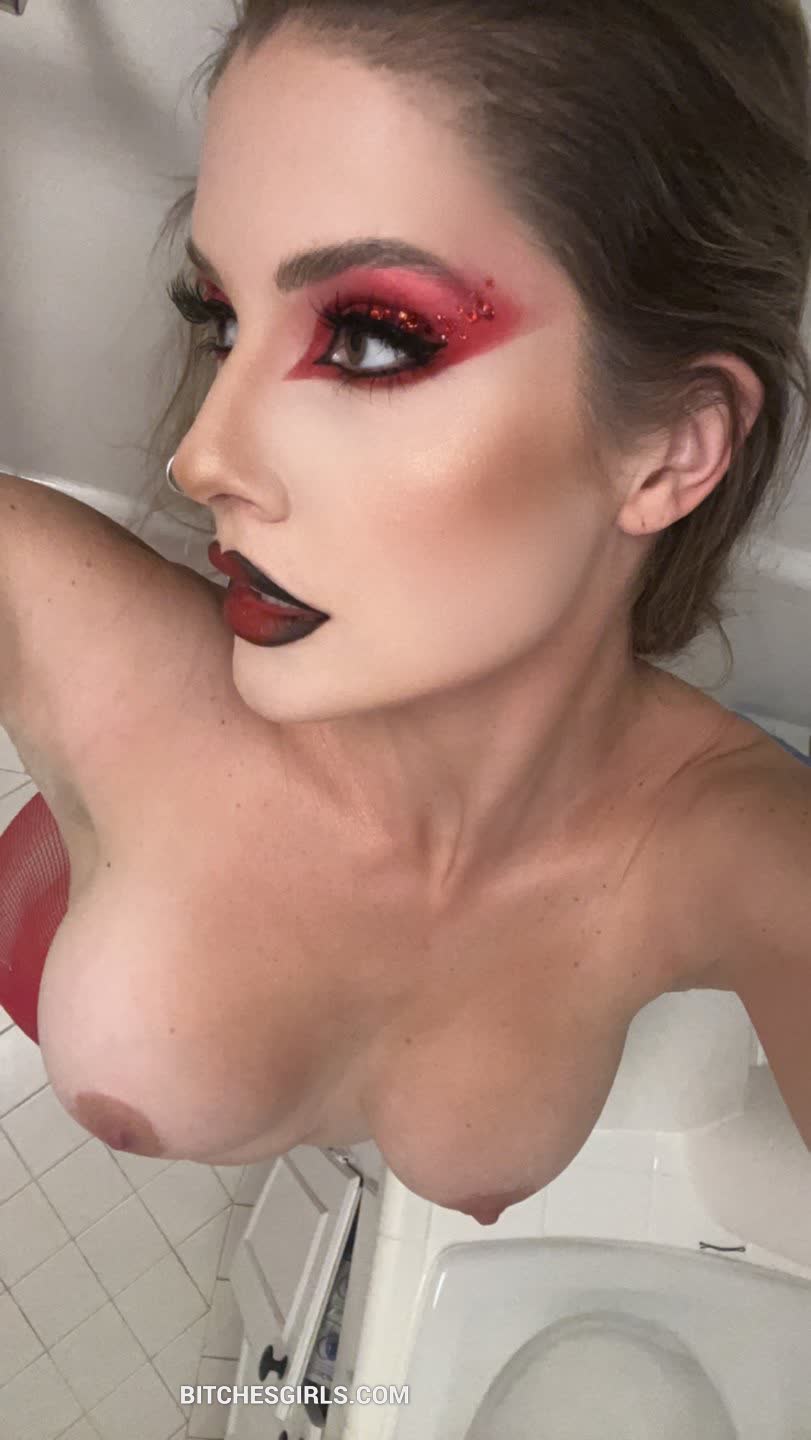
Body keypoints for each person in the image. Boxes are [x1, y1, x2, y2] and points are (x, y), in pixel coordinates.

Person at [1, 0, 810, 1228]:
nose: (202, 458)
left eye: (372, 342)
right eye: (222, 322)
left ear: (669, 449)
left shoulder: (744, 855)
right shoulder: (51, 606)